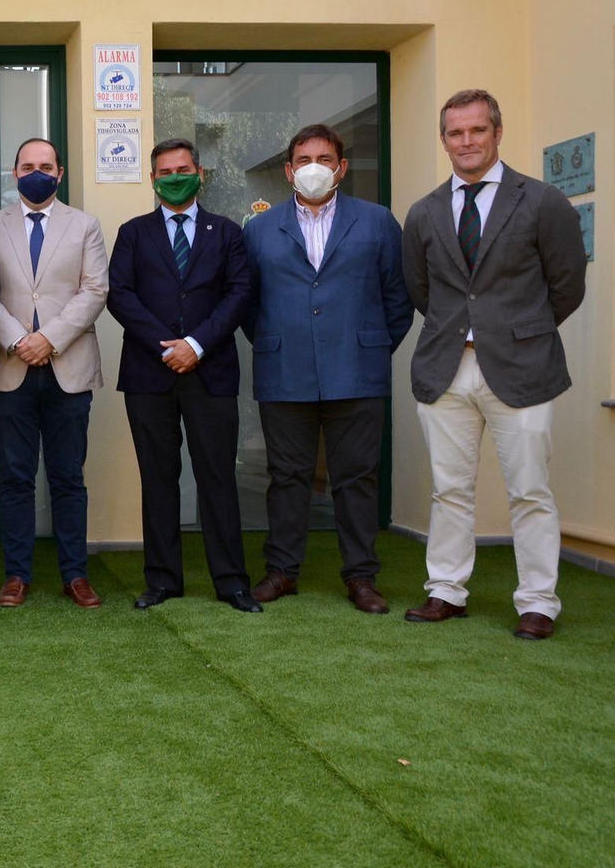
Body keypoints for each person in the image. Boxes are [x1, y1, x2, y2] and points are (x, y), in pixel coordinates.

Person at [401, 89, 587, 640]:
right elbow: (421, 287)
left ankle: (537, 601)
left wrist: (515, 331)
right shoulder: (425, 211)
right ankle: (446, 591)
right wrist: (462, 330)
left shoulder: (542, 201)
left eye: (476, 130)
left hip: (523, 368)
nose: (466, 142)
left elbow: (567, 285)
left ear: (497, 133)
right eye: (455, 133)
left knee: (530, 489)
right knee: (448, 488)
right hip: (446, 367)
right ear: (444, 140)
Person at [242, 124, 413, 614]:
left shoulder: (378, 222)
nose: (313, 166)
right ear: (289, 169)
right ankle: (282, 571)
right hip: (284, 370)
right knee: (287, 476)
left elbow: (397, 299)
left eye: (324, 157)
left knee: (356, 477)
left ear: (340, 166)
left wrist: (370, 347)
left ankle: (361, 577)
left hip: (357, 368)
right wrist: (280, 343)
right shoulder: (259, 228)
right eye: (303, 158)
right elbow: (249, 305)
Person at [106, 138, 260, 613]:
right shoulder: (133, 233)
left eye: (183, 168)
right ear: (153, 179)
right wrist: (166, 347)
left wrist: (195, 345)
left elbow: (239, 293)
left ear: (200, 173)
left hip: (210, 371)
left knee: (217, 477)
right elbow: (120, 295)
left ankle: (232, 581)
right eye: (165, 171)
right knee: (158, 478)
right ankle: (162, 579)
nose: (175, 176)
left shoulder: (228, 232)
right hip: (148, 374)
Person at [0, 137, 108, 609]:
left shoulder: (85, 226)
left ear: (59, 173)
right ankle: (17, 574)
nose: (37, 171)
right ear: (14, 173)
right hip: (9, 366)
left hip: (68, 369)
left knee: (67, 477)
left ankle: (75, 574)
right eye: (27, 165)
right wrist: (19, 339)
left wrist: (48, 339)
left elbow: (95, 290)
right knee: (14, 477)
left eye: (46, 165)